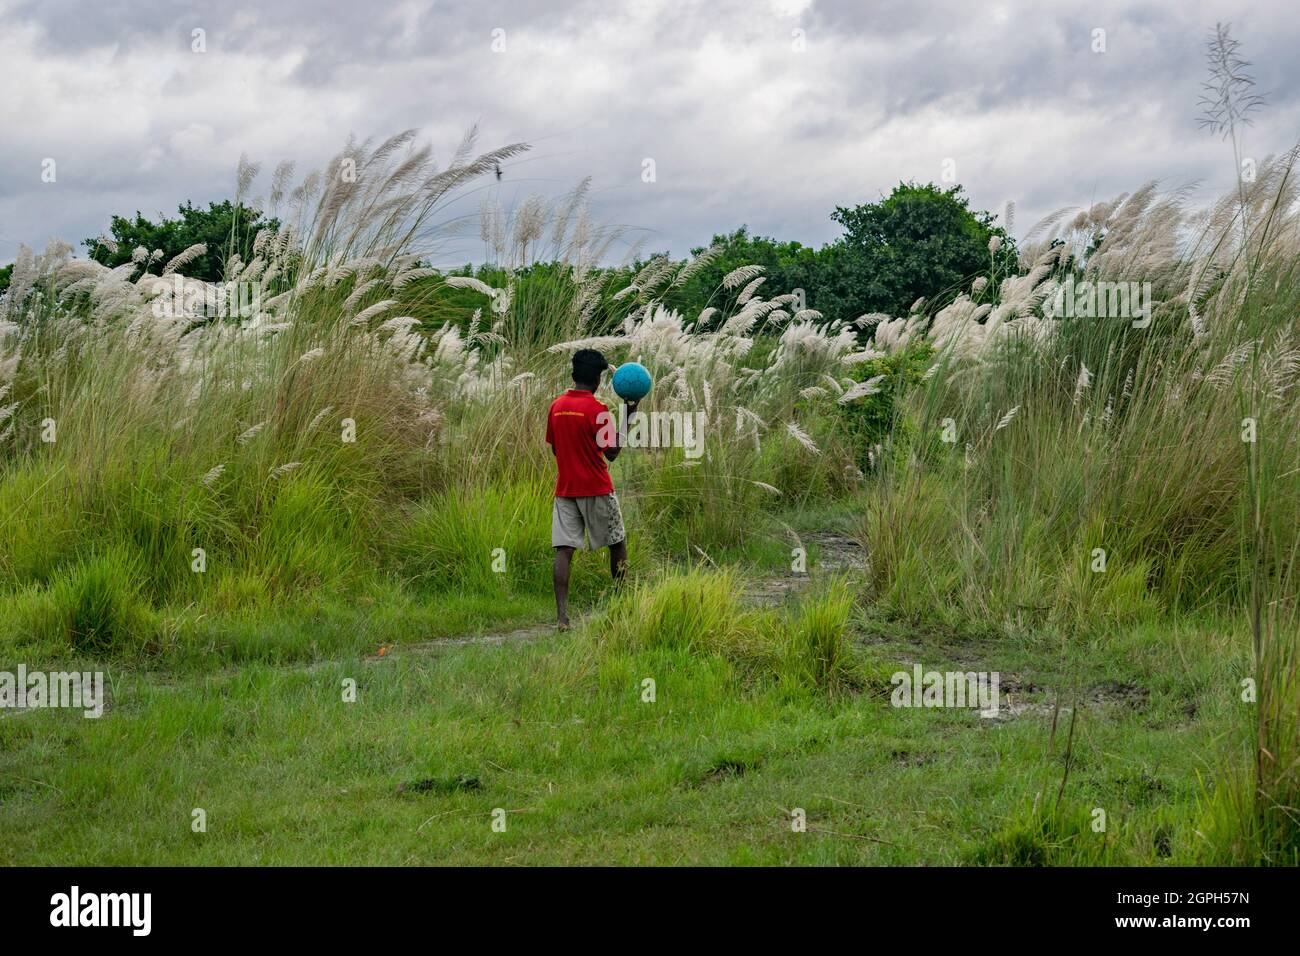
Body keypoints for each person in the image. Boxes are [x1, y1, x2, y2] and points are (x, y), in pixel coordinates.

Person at [545, 348, 638, 629]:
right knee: (617, 543)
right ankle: (622, 602)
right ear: (597, 379)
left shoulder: (557, 406)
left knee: (564, 551)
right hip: (597, 488)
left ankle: (562, 617)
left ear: (574, 374)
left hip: (566, 489)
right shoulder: (598, 410)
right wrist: (629, 416)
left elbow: (556, 450)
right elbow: (611, 453)